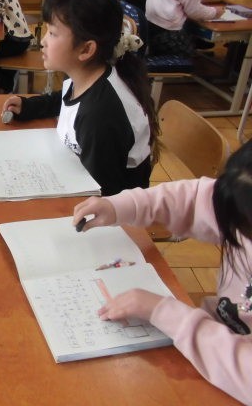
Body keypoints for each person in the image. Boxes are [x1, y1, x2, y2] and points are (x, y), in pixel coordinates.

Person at [72, 140, 252, 404]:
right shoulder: (243, 198)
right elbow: (194, 199)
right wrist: (120, 206)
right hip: (210, 337)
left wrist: (164, 312)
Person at [1, 0, 158, 196]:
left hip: (109, 206)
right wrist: (29, 106)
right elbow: (66, 99)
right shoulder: (88, 75)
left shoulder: (100, 115)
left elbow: (103, 194)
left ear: (86, 49)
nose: (43, 41)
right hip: (80, 178)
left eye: (53, 33)